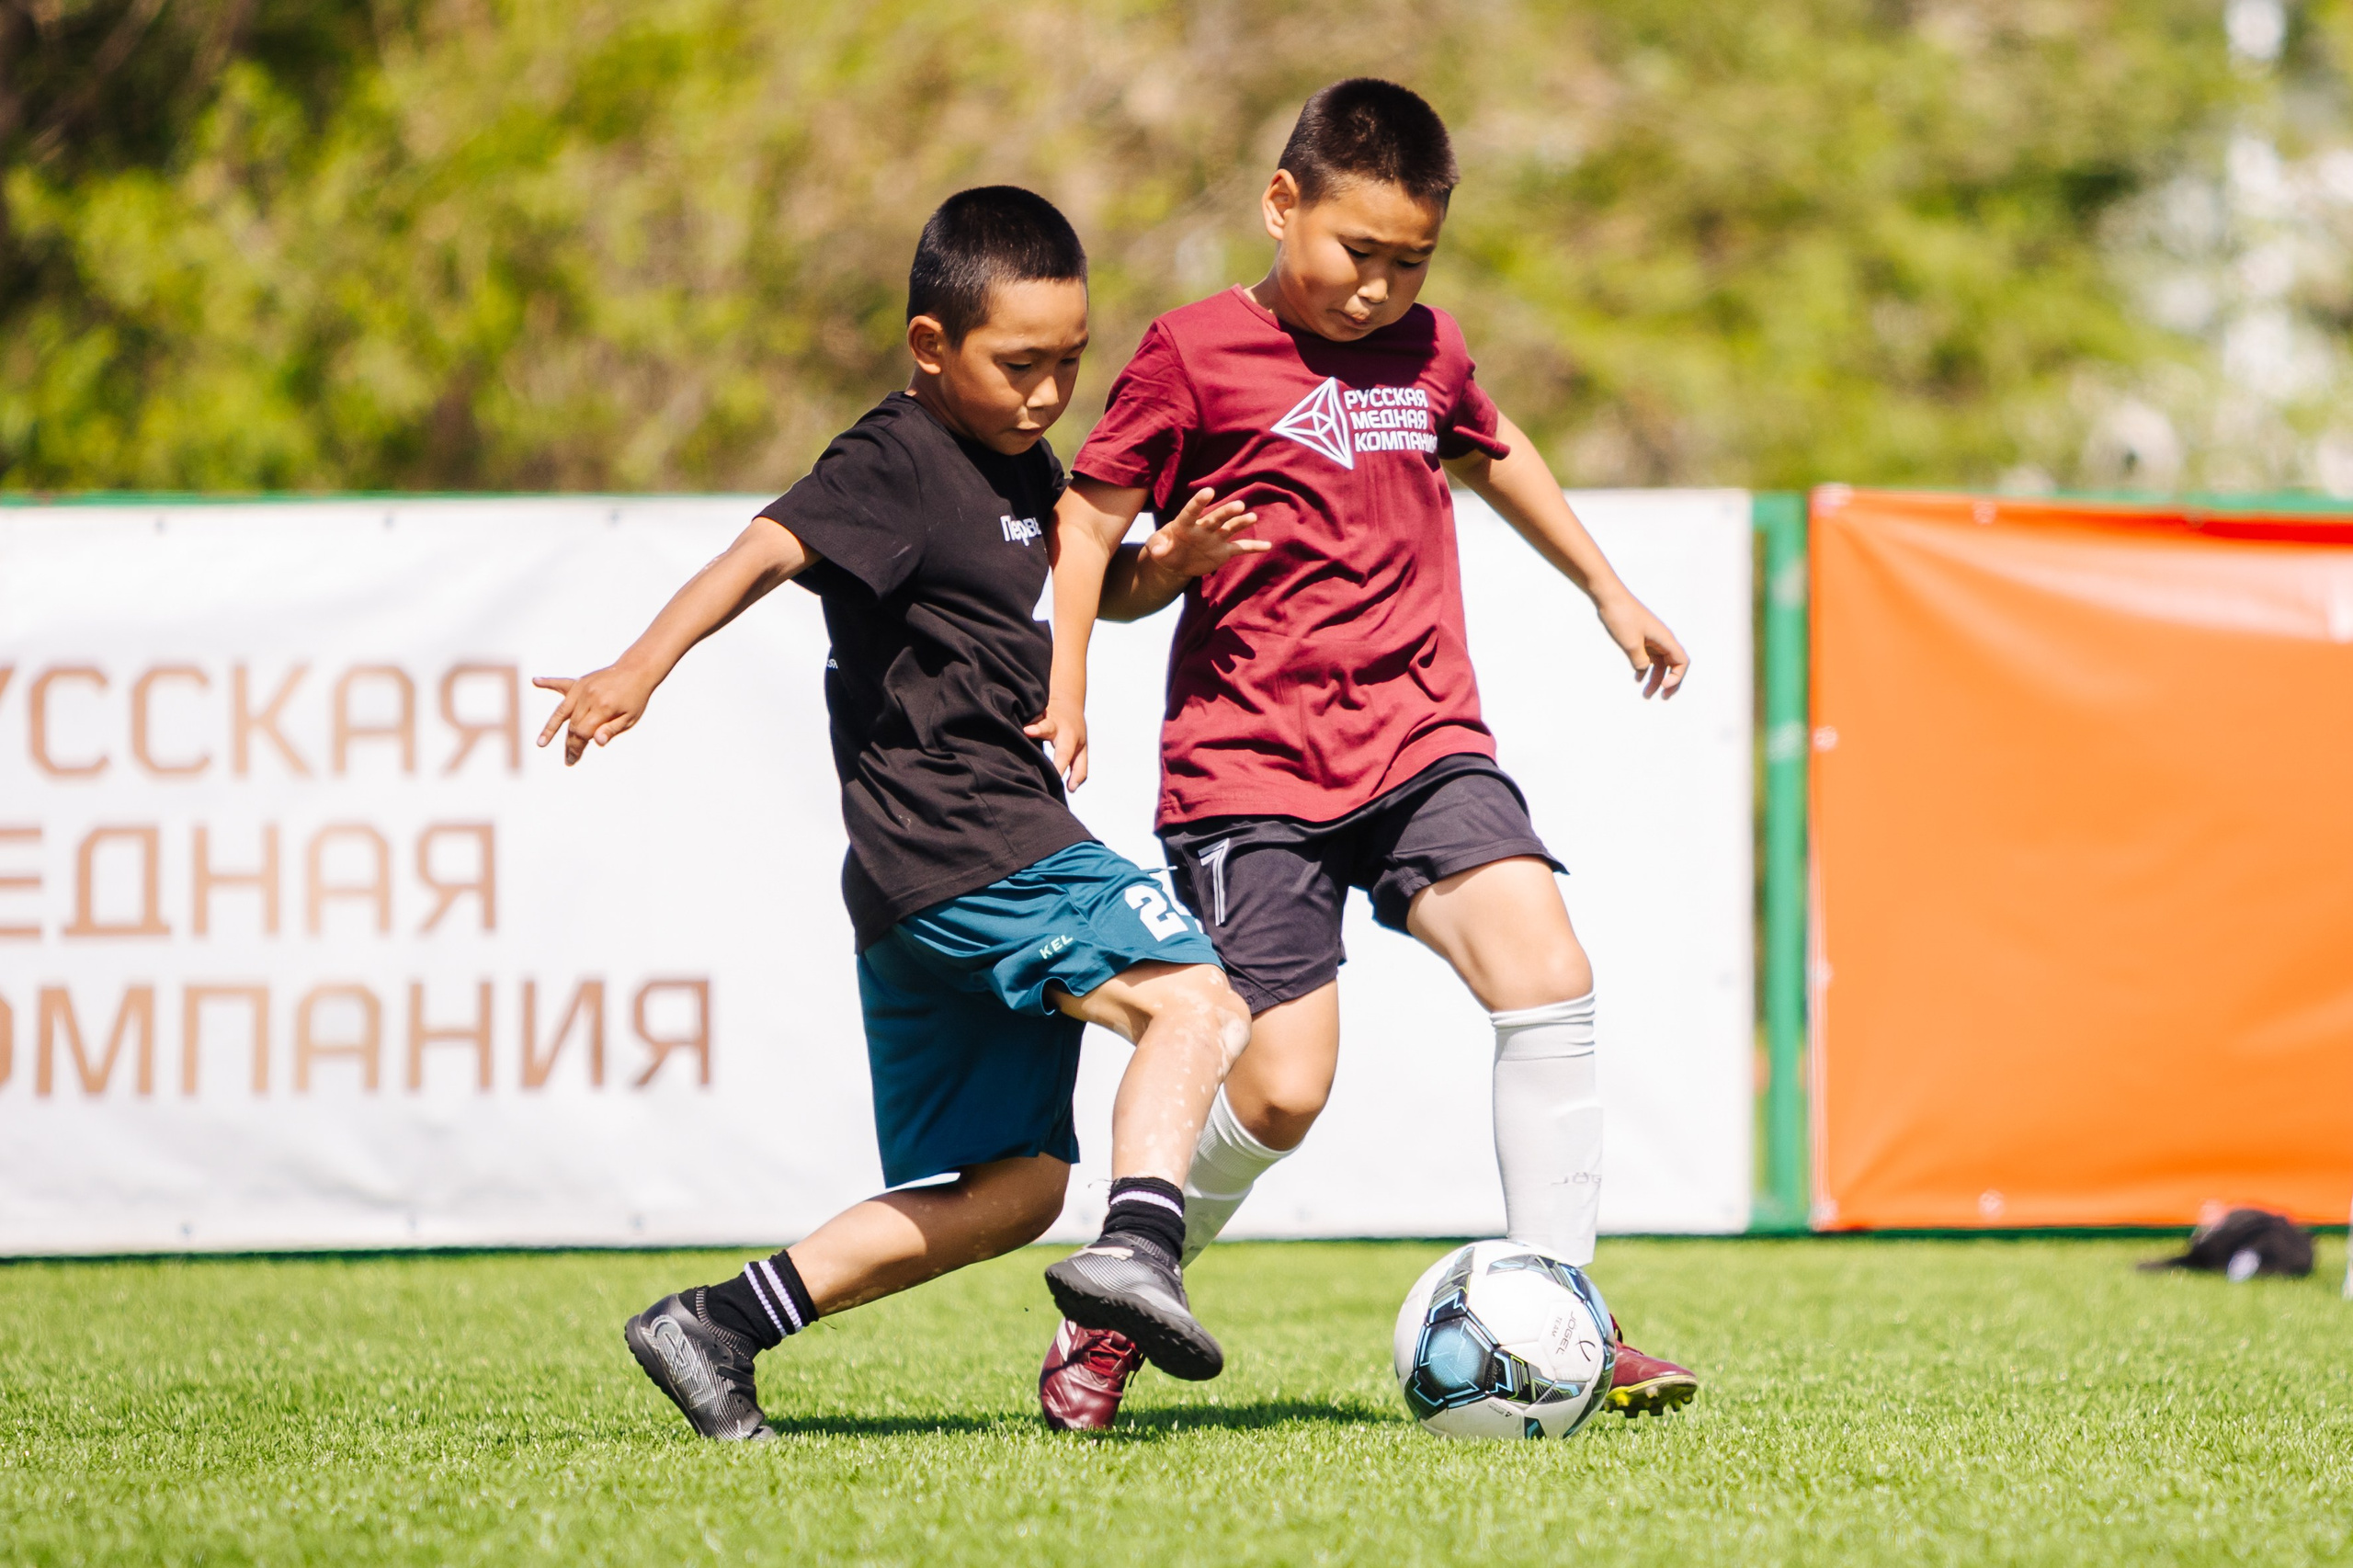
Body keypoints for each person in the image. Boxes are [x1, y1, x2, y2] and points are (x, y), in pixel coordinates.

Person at [1032, 80, 1701, 1431]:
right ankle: (1123, 1289)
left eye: (1412, 263)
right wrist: (1091, 659)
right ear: (1284, 206)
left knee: (1549, 968)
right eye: (1358, 253)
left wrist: (1606, 588)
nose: (1380, 289)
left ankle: (1562, 1301)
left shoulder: (1431, 353)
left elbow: (1496, 448)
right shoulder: (1191, 354)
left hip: (1420, 737)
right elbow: (1091, 533)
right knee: (1281, 1088)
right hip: (1251, 773)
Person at [536, 186, 1250, 1441]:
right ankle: (1143, 1248)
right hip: (977, 842)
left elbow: (1053, 595)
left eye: (1069, 363)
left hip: (919, 880)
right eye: (1019, 363)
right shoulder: (893, 458)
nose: (1048, 393)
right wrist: (638, 667)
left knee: (1017, 1188)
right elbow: (765, 547)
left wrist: (1160, 569)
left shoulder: (1014, 462)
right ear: (930, 347)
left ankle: (718, 1322)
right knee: (1193, 998)